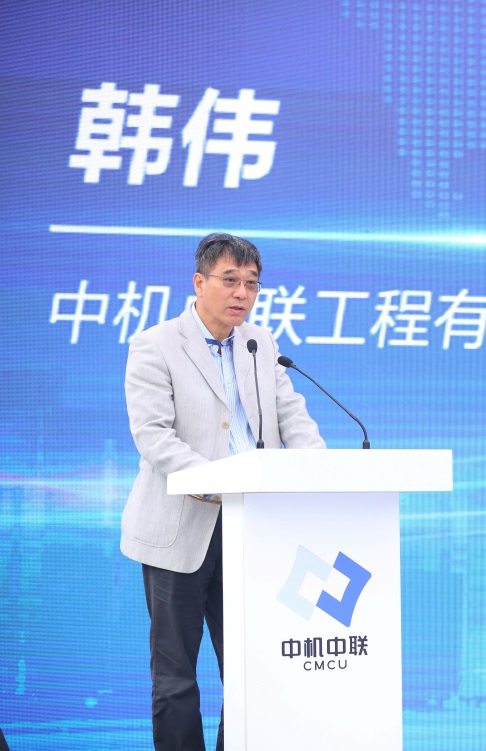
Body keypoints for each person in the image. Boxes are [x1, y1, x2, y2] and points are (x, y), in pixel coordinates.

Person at [121, 233, 325, 751]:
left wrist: (318, 467)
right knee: (175, 675)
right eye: (230, 280)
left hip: (248, 528)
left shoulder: (260, 343)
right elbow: (153, 436)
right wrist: (219, 481)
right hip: (179, 529)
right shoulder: (155, 344)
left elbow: (292, 416)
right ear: (199, 282)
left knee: (252, 670)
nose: (242, 293)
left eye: (251, 284)